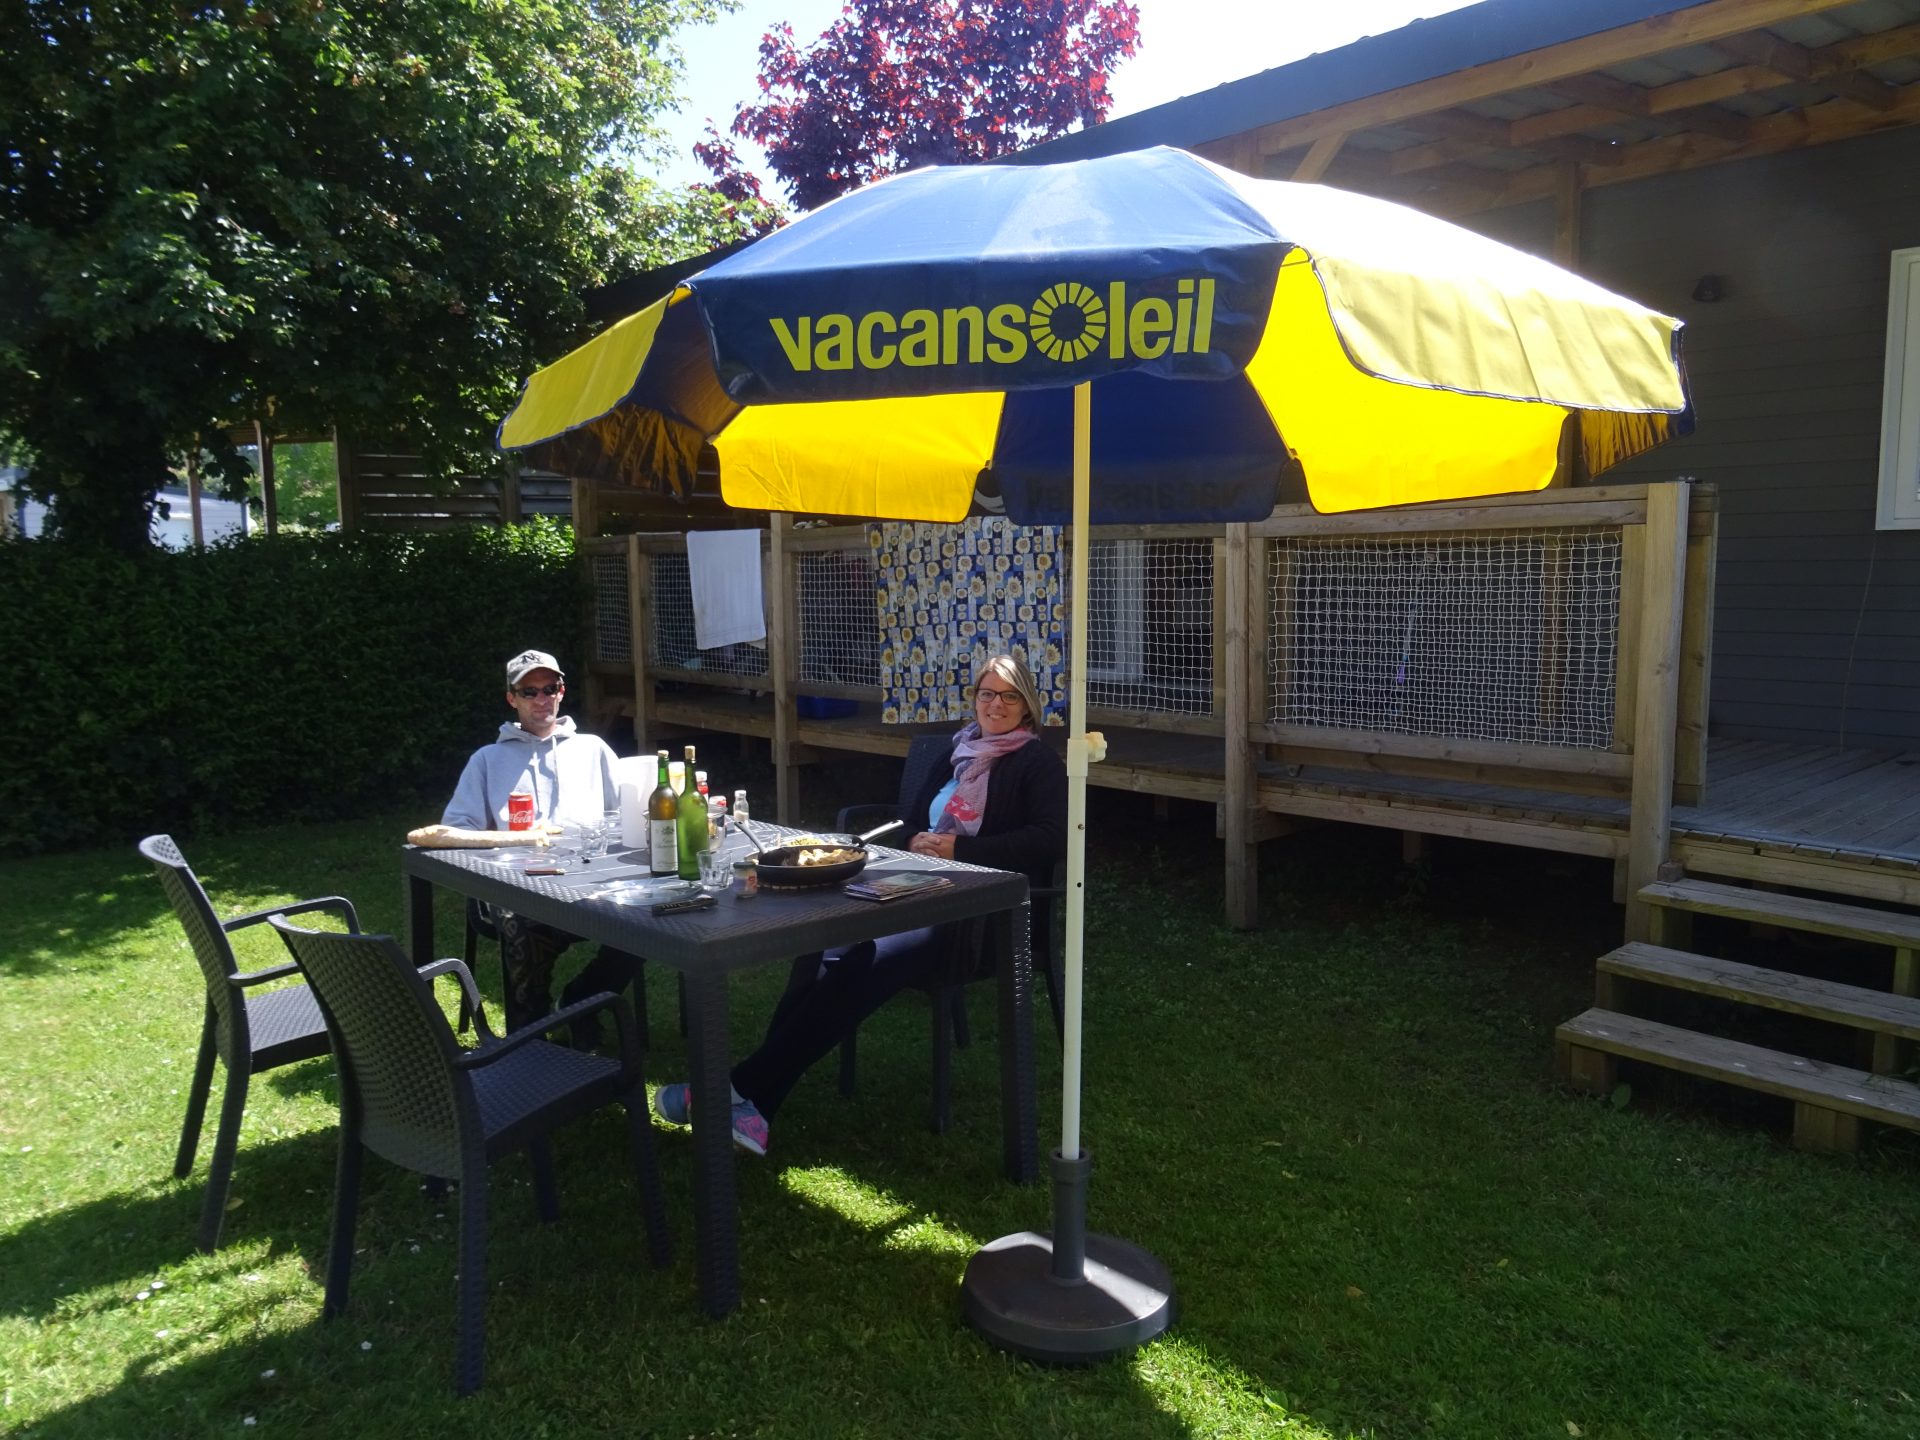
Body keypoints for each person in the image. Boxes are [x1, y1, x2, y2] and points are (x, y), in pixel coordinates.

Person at [654, 654, 1066, 1156]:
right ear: (974, 698)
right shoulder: (958, 751)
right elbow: (910, 821)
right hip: (911, 888)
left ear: (1027, 705)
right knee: (821, 947)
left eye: (1008, 696)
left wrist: (961, 848)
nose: (995, 704)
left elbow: (1050, 840)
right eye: (987, 693)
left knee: (867, 959)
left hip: (977, 917)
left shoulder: (1037, 762)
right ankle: (755, 1105)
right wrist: (918, 839)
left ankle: (736, 1090)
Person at [442, 648, 639, 1041]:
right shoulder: (487, 760)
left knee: (655, 915)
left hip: (590, 883)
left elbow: (628, 817)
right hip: (516, 887)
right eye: (529, 692)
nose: (541, 699)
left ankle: (584, 999)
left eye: (549, 688)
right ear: (511, 698)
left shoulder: (593, 750)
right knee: (522, 921)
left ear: (561, 692)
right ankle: (530, 1032)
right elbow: (456, 831)